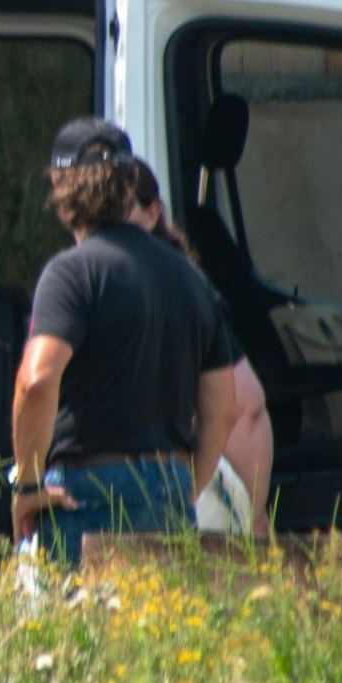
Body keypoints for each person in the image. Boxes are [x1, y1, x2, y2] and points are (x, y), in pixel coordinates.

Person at [11, 118, 239, 565]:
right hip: (170, 483)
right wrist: (182, 488)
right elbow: (223, 408)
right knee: (156, 633)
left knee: (83, 631)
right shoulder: (191, 279)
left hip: (86, 490)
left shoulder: (72, 273)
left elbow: (37, 381)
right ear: (131, 180)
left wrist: (28, 486)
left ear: (59, 187)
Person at [123, 160, 275, 540]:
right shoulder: (175, 280)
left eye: (123, 212)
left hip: (201, 485)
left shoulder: (170, 288)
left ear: (152, 212)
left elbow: (245, 402)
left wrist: (217, 495)